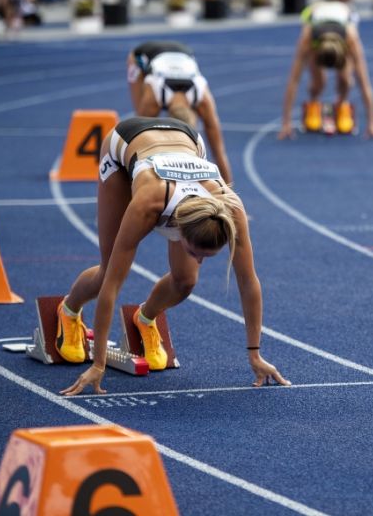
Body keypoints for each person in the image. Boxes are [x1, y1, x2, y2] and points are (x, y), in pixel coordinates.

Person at [58, 116, 290, 396]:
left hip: (187, 141)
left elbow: (249, 282)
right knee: (107, 272)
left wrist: (255, 354)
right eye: (196, 252)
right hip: (126, 145)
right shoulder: (147, 204)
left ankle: (144, 318)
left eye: (208, 256)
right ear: (178, 228)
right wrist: (98, 364)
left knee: (185, 281)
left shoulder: (231, 208)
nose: (201, 260)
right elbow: (112, 288)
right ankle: (69, 310)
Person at [127, 40, 233, 184]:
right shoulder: (153, 99)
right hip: (141, 56)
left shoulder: (203, 99)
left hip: (182, 53)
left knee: (217, 146)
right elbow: (135, 148)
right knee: (139, 131)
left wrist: (229, 195)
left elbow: (219, 153)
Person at [279, 0, 373, 141]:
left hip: (344, 17)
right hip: (314, 15)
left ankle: (342, 104)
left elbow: (364, 84)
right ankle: (314, 102)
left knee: (346, 79)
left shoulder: (351, 39)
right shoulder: (307, 38)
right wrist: (286, 123)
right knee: (319, 82)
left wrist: (372, 124)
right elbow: (293, 81)